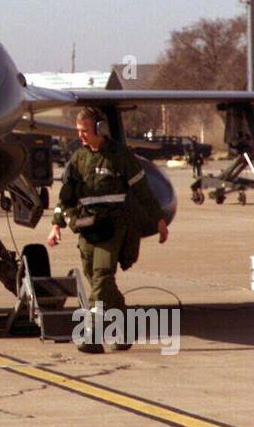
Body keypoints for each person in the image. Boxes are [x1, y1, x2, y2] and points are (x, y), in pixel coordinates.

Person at [48, 108, 169, 353]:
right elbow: (66, 197)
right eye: (78, 131)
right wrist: (56, 225)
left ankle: (91, 334)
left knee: (102, 278)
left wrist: (159, 220)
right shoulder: (78, 159)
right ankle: (125, 328)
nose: (80, 136)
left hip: (114, 227)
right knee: (97, 281)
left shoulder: (120, 157)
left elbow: (143, 190)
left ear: (99, 129)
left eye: (85, 131)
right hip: (87, 229)